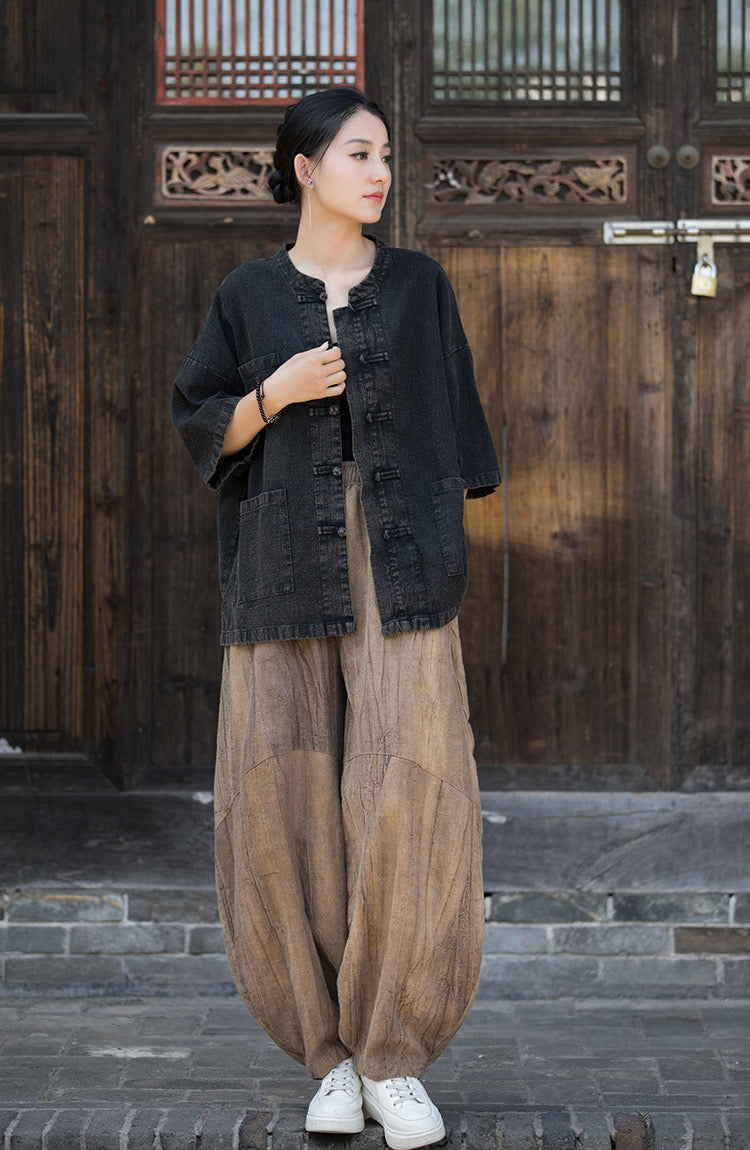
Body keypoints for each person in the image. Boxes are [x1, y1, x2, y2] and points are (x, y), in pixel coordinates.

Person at [172, 86, 501, 1150]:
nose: (380, 172)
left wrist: (436, 535)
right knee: (285, 797)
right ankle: (330, 1058)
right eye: (359, 154)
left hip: (399, 558)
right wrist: (273, 393)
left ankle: (395, 1056)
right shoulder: (246, 295)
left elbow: (457, 432)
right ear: (305, 168)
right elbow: (202, 426)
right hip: (279, 559)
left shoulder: (418, 286)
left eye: (386, 154)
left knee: (412, 789)